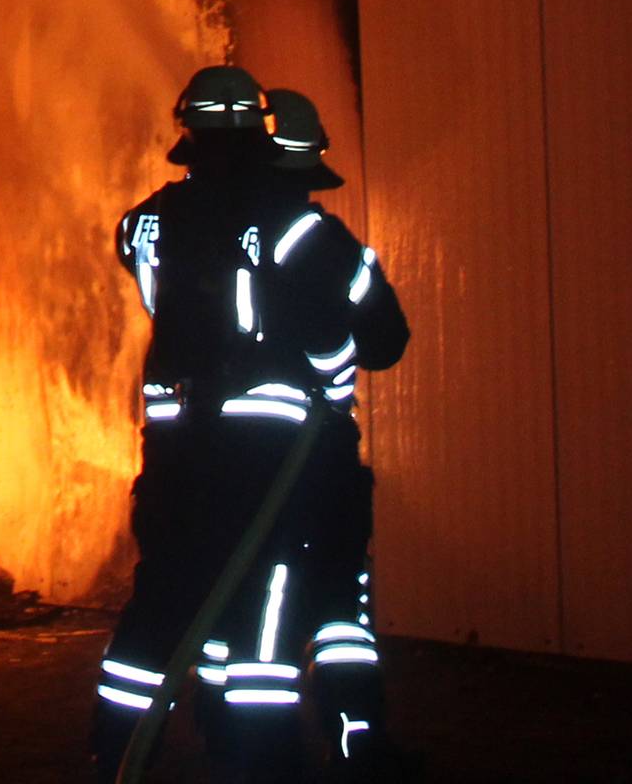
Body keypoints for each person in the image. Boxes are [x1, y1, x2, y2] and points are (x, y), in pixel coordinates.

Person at [93, 70, 407, 781]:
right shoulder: (301, 231)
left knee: (166, 604)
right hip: (276, 469)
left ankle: (115, 754)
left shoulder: (146, 224)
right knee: (265, 620)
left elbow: (156, 282)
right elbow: (383, 340)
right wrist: (326, 360)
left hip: (175, 460)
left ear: (188, 134)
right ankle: (265, 760)